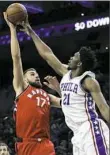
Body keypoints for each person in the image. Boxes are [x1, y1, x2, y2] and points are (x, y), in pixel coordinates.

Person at [20, 18, 109, 155]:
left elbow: (103, 108)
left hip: (91, 129)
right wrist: (31, 32)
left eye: (75, 57)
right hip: (77, 134)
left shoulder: (88, 81)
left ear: (79, 64)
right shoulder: (65, 73)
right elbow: (47, 54)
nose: (71, 57)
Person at [3, 12, 58, 155]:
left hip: (46, 144)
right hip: (27, 144)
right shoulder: (22, 88)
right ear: (25, 79)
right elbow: (16, 58)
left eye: (37, 74)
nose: (37, 76)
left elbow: (70, 103)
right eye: (32, 74)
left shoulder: (46, 96)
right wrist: (12, 29)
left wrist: (58, 89)